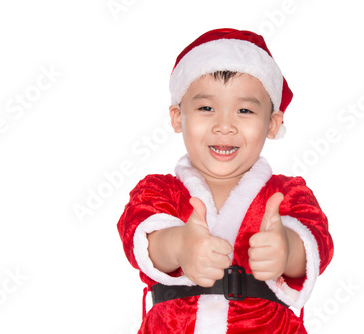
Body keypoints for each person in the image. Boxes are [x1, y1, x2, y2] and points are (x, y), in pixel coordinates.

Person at [117, 28, 333, 333]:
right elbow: (138, 236)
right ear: (178, 117)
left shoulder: (287, 193)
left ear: (272, 124)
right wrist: (180, 245)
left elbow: (318, 242)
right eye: (206, 108)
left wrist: (288, 249)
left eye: (244, 110)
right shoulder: (158, 191)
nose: (224, 126)